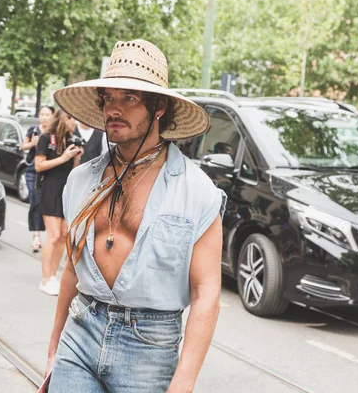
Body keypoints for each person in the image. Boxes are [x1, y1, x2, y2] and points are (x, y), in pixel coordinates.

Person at [45, 39, 226, 392]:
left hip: (149, 347)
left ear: (158, 107)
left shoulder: (196, 191)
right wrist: (54, 346)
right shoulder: (81, 180)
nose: (114, 109)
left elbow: (207, 293)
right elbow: (72, 265)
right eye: (109, 98)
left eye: (128, 98)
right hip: (81, 330)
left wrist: (184, 382)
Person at [34, 109, 83, 296]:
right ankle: (45, 279)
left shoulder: (71, 139)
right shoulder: (46, 138)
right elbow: (39, 166)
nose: (75, 123)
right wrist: (63, 158)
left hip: (66, 190)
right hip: (50, 189)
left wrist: (76, 157)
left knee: (63, 236)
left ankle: (53, 276)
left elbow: (74, 170)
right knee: (53, 236)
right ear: (65, 119)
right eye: (73, 119)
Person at [22, 105, 54, 252]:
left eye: (47, 115)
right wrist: (32, 143)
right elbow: (24, 146)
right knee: (34, 200)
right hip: (32, 171)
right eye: (42, 114)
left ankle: (50, 235)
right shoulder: (33, 130)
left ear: (53, 116)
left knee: (46, 202)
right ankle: (36, 235)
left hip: (48, 171)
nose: (44, 117)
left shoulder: (54, 133)